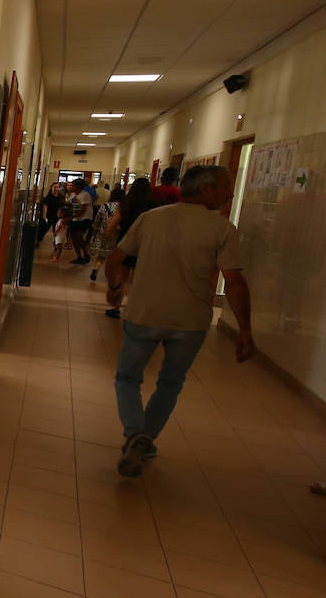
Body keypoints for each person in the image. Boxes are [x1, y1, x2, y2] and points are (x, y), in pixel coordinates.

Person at [103, 165, 255, 478]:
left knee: (128, 378)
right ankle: (145, 440)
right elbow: (235, 283)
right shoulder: (222, 229)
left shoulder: (151, 219)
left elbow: (115, 258)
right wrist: (245, 329)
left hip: (145, 314)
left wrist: (115, 288)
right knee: (170, 383)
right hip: (190, 323)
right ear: (205, 190)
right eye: (226, 186)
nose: (230, 193)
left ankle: (135, 433)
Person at [105, 178, 160, 318]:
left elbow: (110, 228)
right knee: (143, 279)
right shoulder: (154, 206)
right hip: (146, 245)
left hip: (126, 245)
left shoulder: (125, 204)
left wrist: (121, 234)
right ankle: (139, 310)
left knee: (122, 278)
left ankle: (116, 307)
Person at [88, 187, 125, 281]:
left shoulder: (104, 206)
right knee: (116, 256)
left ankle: (95, 269)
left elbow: (97, 220)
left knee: (102, 255)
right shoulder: (124, 207)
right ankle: (113, 274)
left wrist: (94, 232)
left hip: (104, 232)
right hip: (117, 234)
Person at [67, 179, 94, 264]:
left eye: (73, 185)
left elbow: (82, 210)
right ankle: (79, 257)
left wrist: (69, 218)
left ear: (78, 187)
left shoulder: (85, 195)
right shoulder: (73, 195)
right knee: (73, 238)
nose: (71, 187)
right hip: (75, 219)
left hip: (84, 219)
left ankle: (86, 254)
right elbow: (72, 206)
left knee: (79, 237)